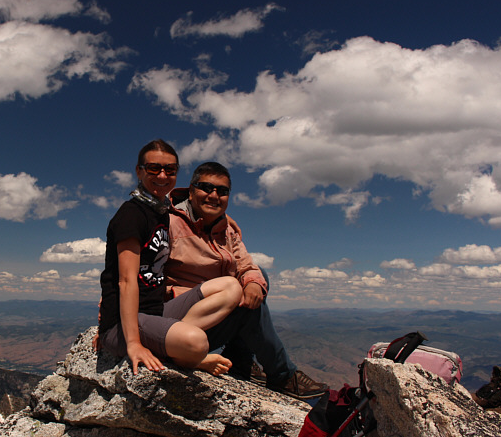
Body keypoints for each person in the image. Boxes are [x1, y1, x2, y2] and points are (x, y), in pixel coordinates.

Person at [165, 161, 328, 400]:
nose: (214, 195)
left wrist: (252, 282)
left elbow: (247, 264)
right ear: (191, 191)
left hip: (212, 311)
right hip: (181, 324)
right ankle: (282, 375)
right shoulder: (168, 224)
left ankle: (240, 361)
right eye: (206, 188)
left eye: (222, 191)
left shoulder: (225, 229)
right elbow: (133, 273)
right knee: (247, 307)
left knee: (258, 281)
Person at [97, 140, 244, 375]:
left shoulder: (161, 212)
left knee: (232, 287)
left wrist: (224, 219)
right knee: (197, 342)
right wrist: (132, 343)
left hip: (155, 312)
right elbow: (126, 280)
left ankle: (175, 343)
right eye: (154, 168)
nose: (163, 175)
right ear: (139, 171)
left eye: (170, 170)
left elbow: (182, 208)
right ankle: (189, 354)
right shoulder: (131, 215)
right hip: (124, 324)